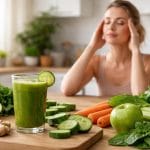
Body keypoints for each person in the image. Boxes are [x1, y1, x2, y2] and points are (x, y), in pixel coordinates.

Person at [61, 0, 150, 96]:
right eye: (107, 22)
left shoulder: (147, 62)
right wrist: (91, 47)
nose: (111, 27)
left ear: (134, 29)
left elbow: (140, 96)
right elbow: (67, 89)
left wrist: (135, 50)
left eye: (120, 22)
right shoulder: (96, 62)